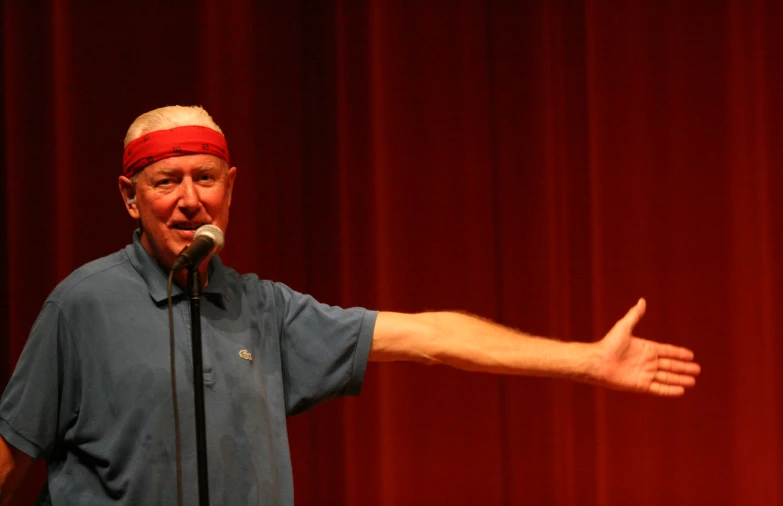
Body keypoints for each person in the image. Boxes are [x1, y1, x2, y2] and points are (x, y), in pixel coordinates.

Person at [0, 106, 701, 505]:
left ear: (230, 187)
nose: (189, 199)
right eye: (166, 181)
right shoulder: (83, 304)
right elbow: (12, 458)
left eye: (206, 178)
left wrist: (584, 360)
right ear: (130, 197)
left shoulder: (264, 312)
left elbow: (428, 335)